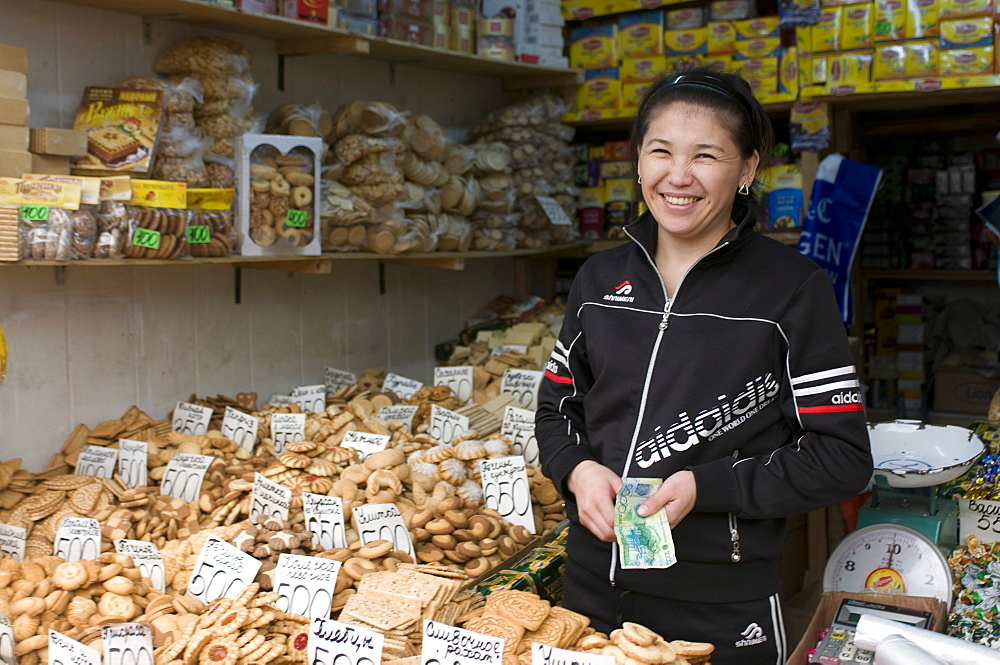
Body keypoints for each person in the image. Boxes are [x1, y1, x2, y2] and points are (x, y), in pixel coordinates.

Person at [535, 67, 873, 665]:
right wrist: (577, 470)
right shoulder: (597, 280)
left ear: (747, 168)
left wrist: (709, 486)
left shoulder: (791, 291)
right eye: (660, 151)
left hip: (719, 605)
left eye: (707, 155)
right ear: (638, 160)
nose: (678, 176)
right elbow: (557, 409)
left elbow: (841, 458)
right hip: (589, 588)